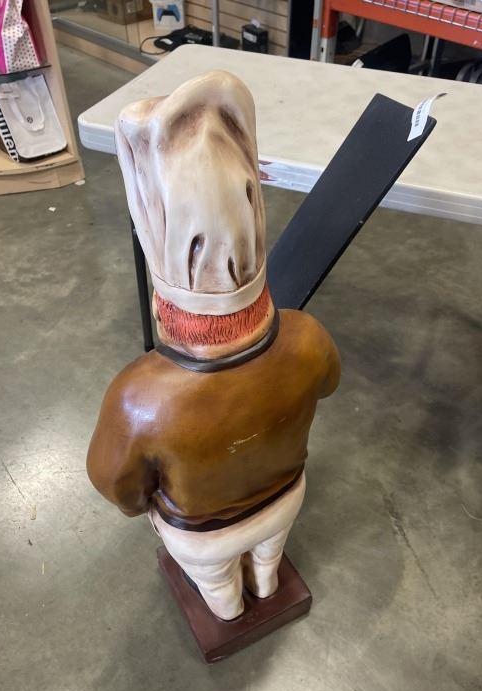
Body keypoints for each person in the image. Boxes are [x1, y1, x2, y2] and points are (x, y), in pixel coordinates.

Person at [87, 71, 340, 621]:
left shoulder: (140, 398)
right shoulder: (308, 337)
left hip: (203, 535)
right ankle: (267, 582)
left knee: (217, 588)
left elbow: (120, 490)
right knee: (269, 559)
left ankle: (228, 611)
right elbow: (329, 383)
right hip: (287, 495)